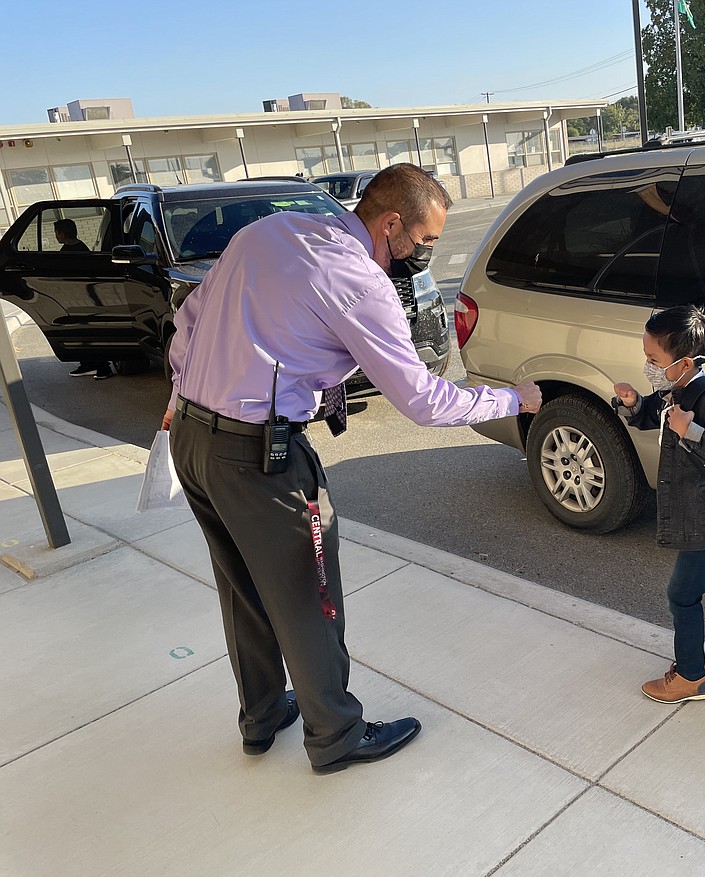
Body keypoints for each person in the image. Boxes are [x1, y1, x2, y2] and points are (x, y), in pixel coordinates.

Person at [162, 164, 541, 773]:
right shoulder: (357, 280)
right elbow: (421, 399)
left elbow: (189, 320)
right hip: (262, 456)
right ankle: (336, 735)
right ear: (391, 223)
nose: (426, 254)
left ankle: (260, 718)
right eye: (423, 241)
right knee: (310, 597)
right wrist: (511, 400)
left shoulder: (270, 232)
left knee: (241, 588)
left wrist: (180, 397)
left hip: (194, 439)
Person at [613, 305, 705, 704]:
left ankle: (691, 677)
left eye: (653, 360)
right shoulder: (678, 388)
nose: (649, 367)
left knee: (682, 595)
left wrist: (691, 430)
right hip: (698, 514)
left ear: (682, 362)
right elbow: (653, 414)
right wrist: (632, 404)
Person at [54, 220, 114, 378]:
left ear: (62, 233)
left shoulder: (77, 251)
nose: (56, 236)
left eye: (57, 233)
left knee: (90, 333)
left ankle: (103, 367)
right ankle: (87, 364)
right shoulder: (72, 249)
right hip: (74, 299)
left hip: (83, 299)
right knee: (78, 333)